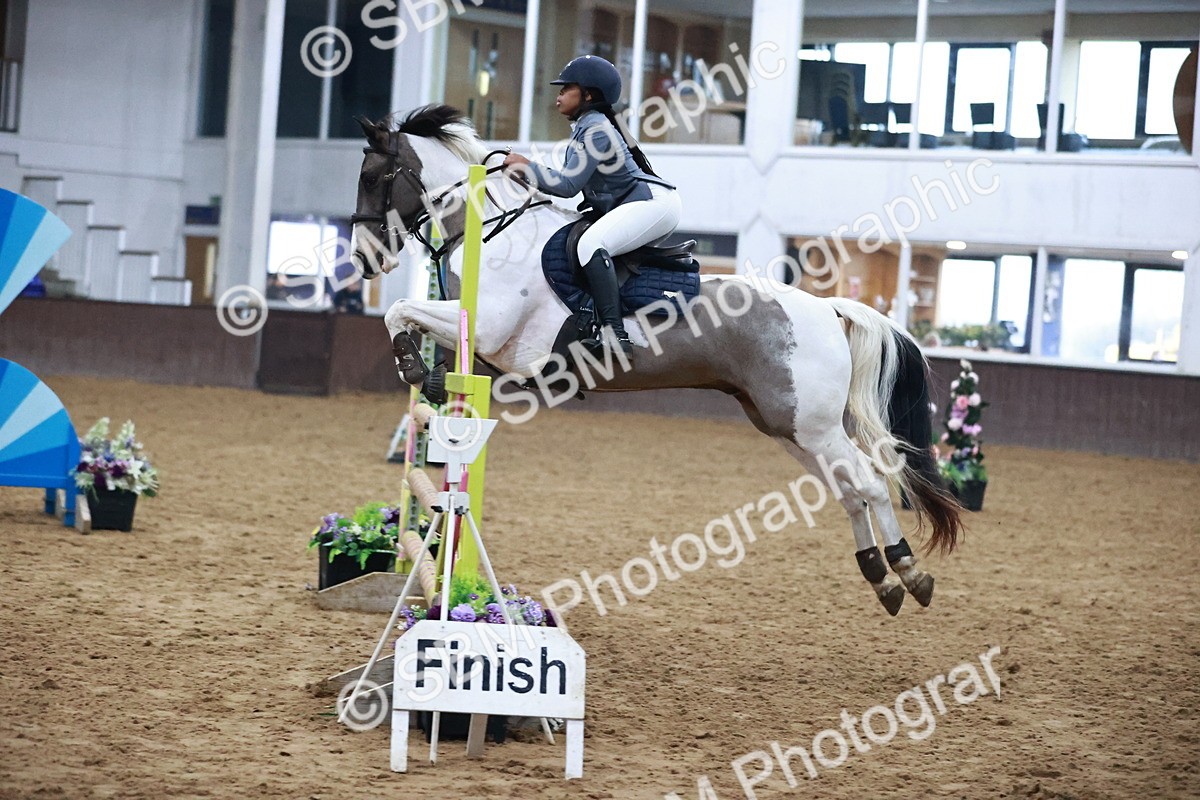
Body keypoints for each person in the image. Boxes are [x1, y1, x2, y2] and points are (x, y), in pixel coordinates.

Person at [503, 55, 682, 364]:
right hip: (640, 201)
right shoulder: (588, 126)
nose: (558, 95)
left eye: (566, 88)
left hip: (653, 203)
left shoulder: (596, 129)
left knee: (591, 243)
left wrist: (527, 166)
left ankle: (615, 335)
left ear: (588, 94)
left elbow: (567, 186)